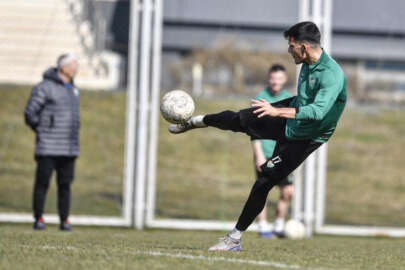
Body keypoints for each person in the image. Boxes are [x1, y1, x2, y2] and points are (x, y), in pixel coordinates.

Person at [168, 21, 347, 251]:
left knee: (265, 180)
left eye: (291, 46)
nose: (288, 50)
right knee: (239, 119)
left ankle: (233, 239)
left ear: (303, 47)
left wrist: (275, 110)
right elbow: (303, 101)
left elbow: (318, 112)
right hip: (290, 115)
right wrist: (276, 109)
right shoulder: (307, 63)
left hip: (307, 137)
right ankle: (195, 121)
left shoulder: (332, 75)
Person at [24, 53, 80, 231]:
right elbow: (30, 113)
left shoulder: (73, 89)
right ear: (63, 67)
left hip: (69, 147)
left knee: (65, 185)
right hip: (48, 146)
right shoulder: (44, 87)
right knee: (42, 184)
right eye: (73, 65)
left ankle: (64, 220)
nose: (76, 68)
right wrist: (42, 130)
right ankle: (39, 218)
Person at [251, 64, 294, 238]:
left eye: (279, 78)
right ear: (269, 79)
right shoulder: (260, 98)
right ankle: (262, 226)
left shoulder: (289, 99)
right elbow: (254, 131)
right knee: (263, 190)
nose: (275, 81)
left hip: (282, 154)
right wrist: (258, 154)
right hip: (265, 154)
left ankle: (278, 225)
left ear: (284, 79)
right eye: (273, 78)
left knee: (288, 191)